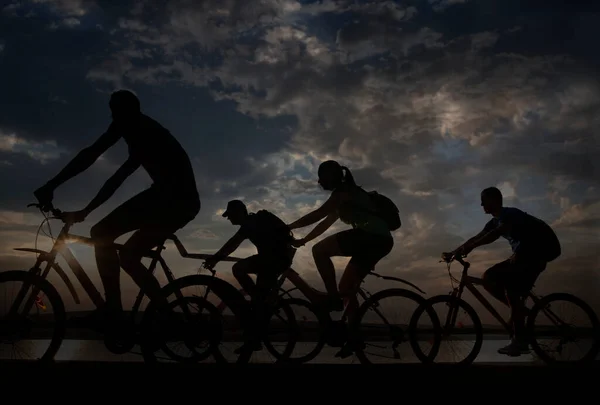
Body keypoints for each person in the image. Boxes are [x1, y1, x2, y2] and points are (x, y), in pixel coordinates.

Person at [33, 89, 201, 334]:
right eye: (112, 111)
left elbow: (104, 166)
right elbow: (101, 162)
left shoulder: (143, 130)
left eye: (116, 111)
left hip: (173, 198)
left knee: (101, 231)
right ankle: (167, 316)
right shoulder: (137, 130)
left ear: (129, 111)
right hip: (176, 200)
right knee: (130, 257)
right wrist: (70, 197)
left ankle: (113, 311)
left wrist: (66, 196)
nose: (112, 117)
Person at [287, 160, 394, 357]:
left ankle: (333, 300)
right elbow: (323, 224)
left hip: (371, 236)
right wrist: (303, 240)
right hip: (380, 240)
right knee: (347, 289)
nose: (319, 181)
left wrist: (288, 227)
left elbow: (318, 214)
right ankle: (354, 338)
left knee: (320, 251)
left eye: (322, 176)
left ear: (332, 175)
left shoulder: (343, 192)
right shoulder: (344, 198)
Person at [443, 186, 561, 357]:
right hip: (525, 253)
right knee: (489, 278)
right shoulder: (494, 221)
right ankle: (520, 312)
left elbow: (495, 234)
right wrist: (455, 251)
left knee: (509, 287)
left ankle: (520, 340)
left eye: (484, 199)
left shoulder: (509, 214)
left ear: (494, 200)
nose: (481, 203)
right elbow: (477, 237)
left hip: (540, 250)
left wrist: (471, 247)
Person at [203, 200, 296, 354]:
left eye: (230, 215)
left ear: (239, 212)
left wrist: (216, 258)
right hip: (275, 259)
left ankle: (257, 306)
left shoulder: (249, 224)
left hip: (273, 260)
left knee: (238, 268)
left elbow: (233, 243)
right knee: (258, 300)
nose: (229, 218)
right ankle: (255, 335)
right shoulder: (253, 222)